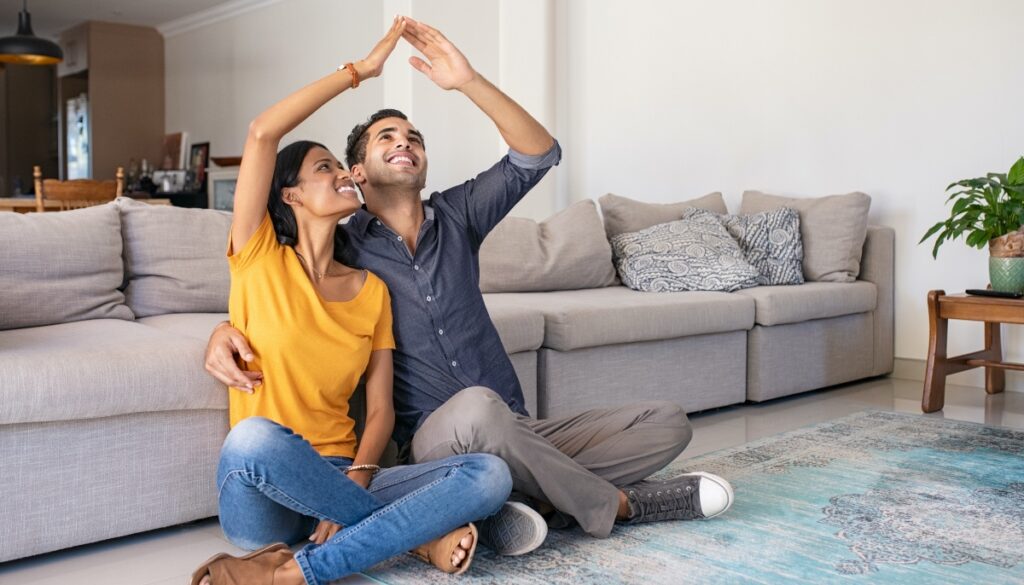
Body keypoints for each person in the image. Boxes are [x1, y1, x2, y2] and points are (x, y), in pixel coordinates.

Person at [205, 16, 734, 559]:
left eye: (413, 137)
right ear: (357, 174)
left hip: (508, 427)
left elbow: (537, 154)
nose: (403, 142)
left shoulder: (449, 221)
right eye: (384, 137)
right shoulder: (343, 247)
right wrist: (221, 329)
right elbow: (271, 271)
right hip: (438, 441)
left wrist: (468, 80)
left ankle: (524, 496)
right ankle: (613, 505)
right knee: (474, 411)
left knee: (666, 422)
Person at [190, 18, 513, 585]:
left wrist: (356, 482)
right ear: (290, 194)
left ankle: (295, 572)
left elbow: (382, 409)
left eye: (343, 169)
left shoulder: (371, 289)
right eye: (325, 169)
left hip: (346, 474)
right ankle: (415, 540)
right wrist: (358, 72)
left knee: (488, 476)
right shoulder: (258, 253)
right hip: (261, 493)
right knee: (253, 437)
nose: (344, 175)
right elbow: (263, 133)